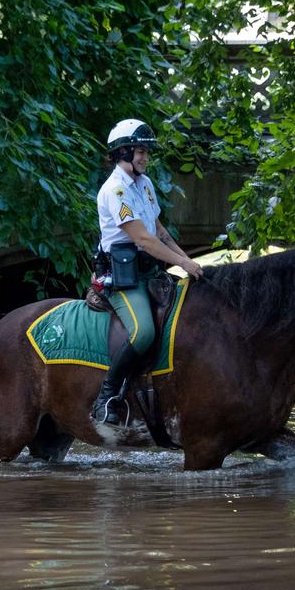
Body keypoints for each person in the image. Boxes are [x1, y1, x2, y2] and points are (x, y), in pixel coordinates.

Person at [90, 119, 204, 429]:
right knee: (143, 332)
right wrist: (183, 264)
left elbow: (159, 230)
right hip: (123, 277)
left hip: (150, 271)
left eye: (145, 152)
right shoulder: (115, 190)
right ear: (123, 152)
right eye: (140, 152)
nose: (144, 157)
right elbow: (142, 239)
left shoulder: (145, 184)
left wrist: (188, 260)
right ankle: (107, 395)